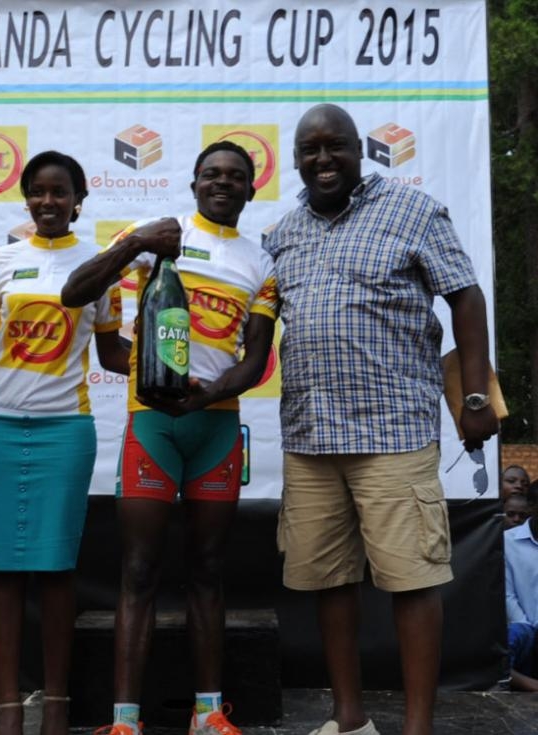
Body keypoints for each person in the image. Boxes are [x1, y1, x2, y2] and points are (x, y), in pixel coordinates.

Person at [264, 104, 499, 735]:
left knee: (412, 580)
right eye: (309, 150)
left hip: (392, 431)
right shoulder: (282, 232)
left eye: (334, 147)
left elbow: (466, 296)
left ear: (358, 150)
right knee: (328, 581)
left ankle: (417, 728)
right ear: (294, 160)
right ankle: (350, 722)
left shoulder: (413, 209)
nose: (322, 160)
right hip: (310, 436)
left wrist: (474, 396)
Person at [62, 141, 277, 735]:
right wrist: (133, 243)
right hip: (152, 424)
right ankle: (125, 721)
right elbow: (74, 293)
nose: (223, 183)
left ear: (251, 190)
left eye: (236, 176)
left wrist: (205, 396)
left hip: (214, 426)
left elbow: (255, 359)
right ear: (193, 183)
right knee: (138, 570)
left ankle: (209, 713)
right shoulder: (158, 233)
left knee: (208, 569)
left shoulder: (262, 263)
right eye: (211, 174)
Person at [0, 150, 129, 735]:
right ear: (25, 199)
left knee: (55, 568)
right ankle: (5, 706)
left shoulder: (101, 268)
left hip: (65, 430)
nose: (48, 202)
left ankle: (56, 703)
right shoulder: (1, 261)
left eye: (60, 192)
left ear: (80, 200)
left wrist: (174, 367)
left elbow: (111, 354)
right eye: (37, 192)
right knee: (1, 566)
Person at [504, 490, 538, 692]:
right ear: (532, 506)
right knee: (516, 634)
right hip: (523, 630)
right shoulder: (507, 540)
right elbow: (507, 595)